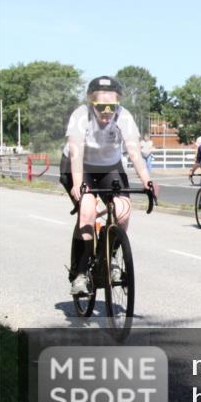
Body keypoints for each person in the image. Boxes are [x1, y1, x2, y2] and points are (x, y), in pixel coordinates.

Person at [66, 76, 157, 295]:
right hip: (81, 166)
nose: (107, 112)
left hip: (109, 166)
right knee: (87, 211)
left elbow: (134, 152)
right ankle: (79, 274)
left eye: (112, 106)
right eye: (101, 106)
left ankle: (112, 258)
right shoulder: (80, 116)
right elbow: (75, 154)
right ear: (91, 103)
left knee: (123, 211)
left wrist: (147, 180)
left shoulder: (124, 117)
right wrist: (78, 184)